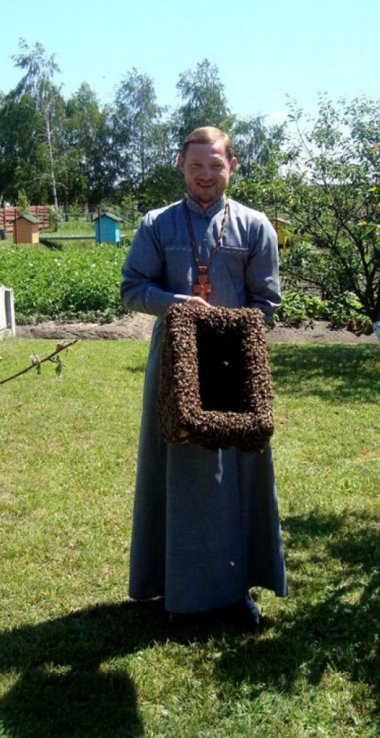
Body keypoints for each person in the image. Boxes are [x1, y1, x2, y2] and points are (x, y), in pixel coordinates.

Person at [120, 126, 287, 625]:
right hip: (174, 367)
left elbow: (267, 303)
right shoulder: (157, 224)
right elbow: (132, 289)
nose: (206, 175)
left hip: (237, 370)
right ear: (181, 165)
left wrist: (227, 328)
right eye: (197, 166)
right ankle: (180, 594)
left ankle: (237, 592)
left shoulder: (255, 227)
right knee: (179, 473)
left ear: (231, 166)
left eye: (215, 166)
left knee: (237, 476)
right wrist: (179, 305)